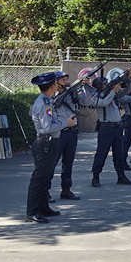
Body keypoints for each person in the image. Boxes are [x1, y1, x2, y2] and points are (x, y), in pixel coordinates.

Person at [26, 72, 75, 223]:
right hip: (45, 144)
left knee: (45, 177)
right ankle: (33, 212)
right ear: (52, 86)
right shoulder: (44, 103)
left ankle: (43, 208)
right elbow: (47, 127)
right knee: (39, 179)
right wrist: (66, 123)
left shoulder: (46, 100)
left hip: (49, 143)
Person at [48, 70, 89, 201]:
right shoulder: (50, 95)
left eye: (67, 79)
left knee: (68, 163)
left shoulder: (73, 92)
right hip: (59, 132)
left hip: (72, 132)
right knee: (51, 163)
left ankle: (66, 189)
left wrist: (85, 86)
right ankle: (45, 190)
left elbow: (86, 101)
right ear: (56, 82)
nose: (67, 81)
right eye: (63, 79)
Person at [89, 75, 131, 188]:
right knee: (101, 154)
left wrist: (128, 80)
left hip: (117, 128)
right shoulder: (95, 96)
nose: (106, 85)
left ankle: (121, 176)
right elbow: (104, 103)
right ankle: (95, 177)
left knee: (118, 153)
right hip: (106, 128)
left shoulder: (112, 94)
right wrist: (113, 91)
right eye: (104, 84)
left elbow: (128, 91)